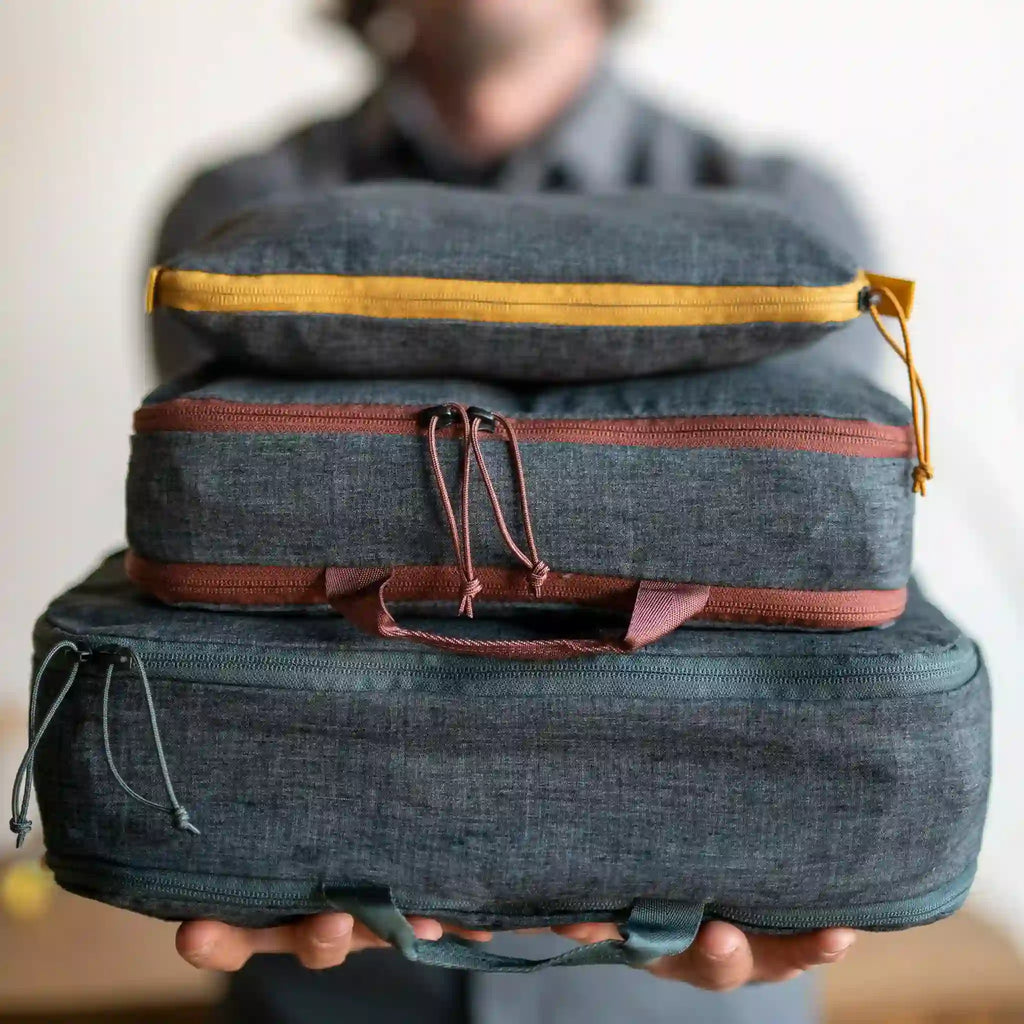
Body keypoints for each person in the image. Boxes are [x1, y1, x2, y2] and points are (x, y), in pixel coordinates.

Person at [156, 2, 868, 1020]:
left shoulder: (790, 216)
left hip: (681, 987)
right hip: (333, 972)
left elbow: (817, 575)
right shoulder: (233, 219)